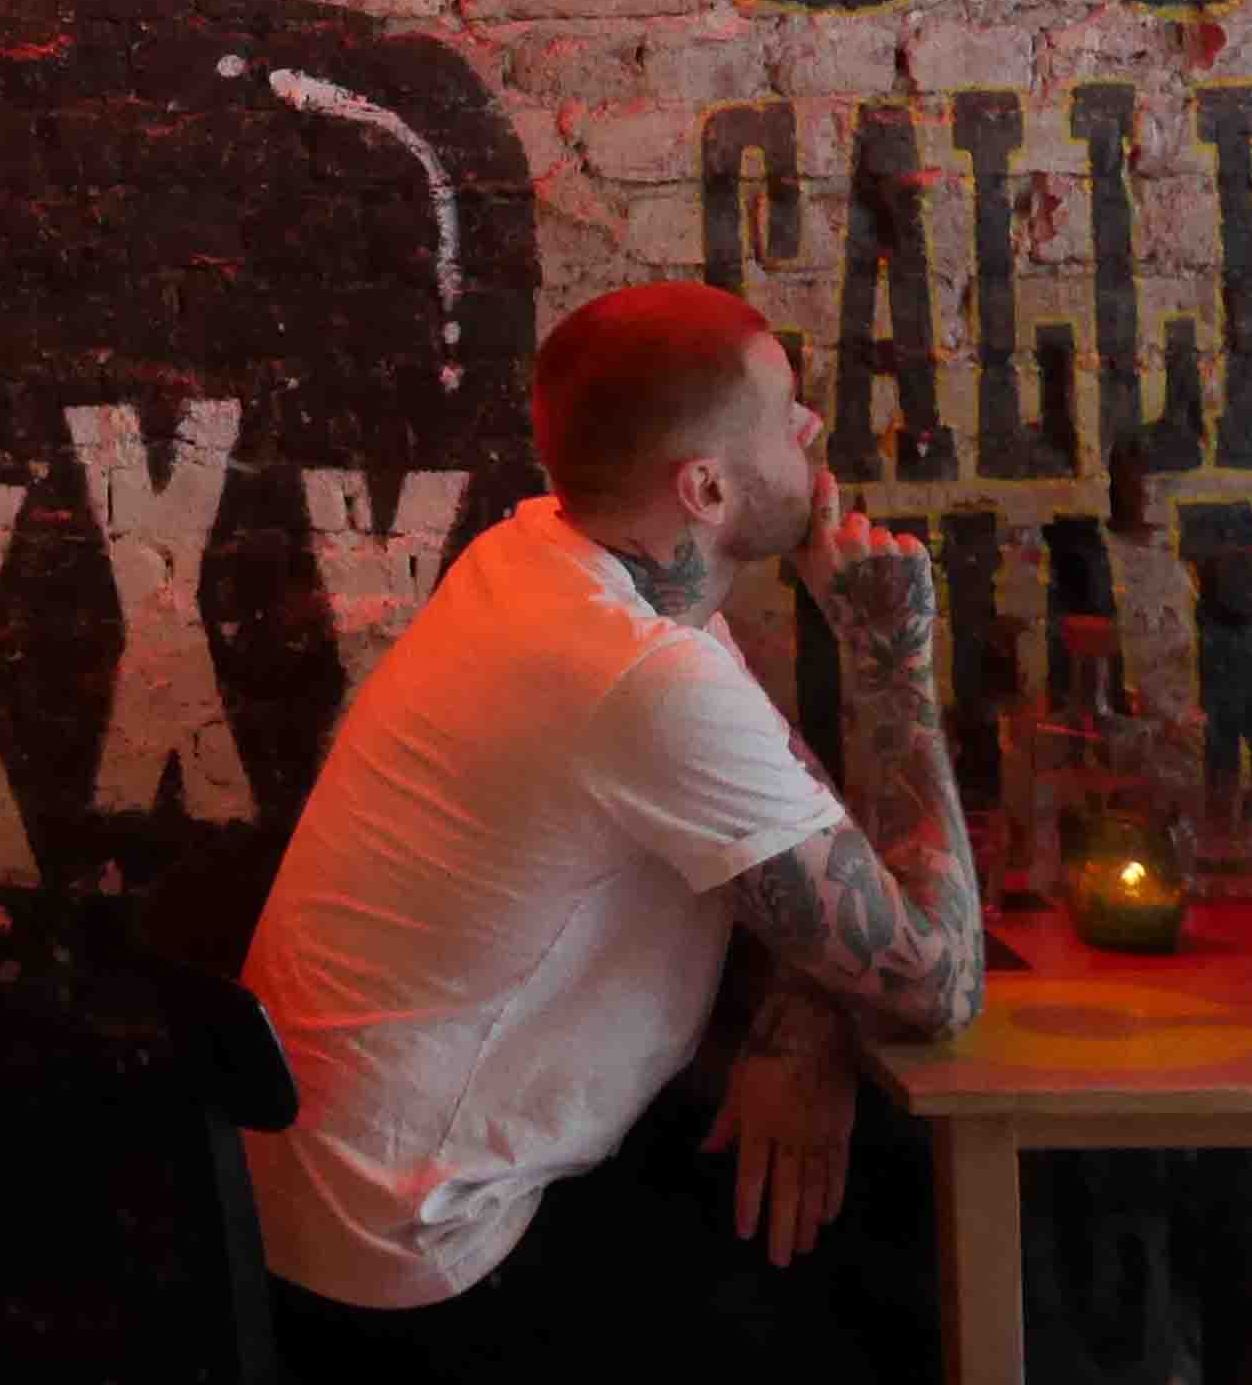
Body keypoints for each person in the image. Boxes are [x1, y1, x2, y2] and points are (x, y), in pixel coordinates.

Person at [241, 279, 985, 1385]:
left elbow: (797, 828)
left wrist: (804, 1024)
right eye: (783, 410)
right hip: (423, 1266)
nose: (809, 428)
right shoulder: (635, 675)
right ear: (705, 487)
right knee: (901, 1270)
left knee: (853, 1208)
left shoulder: (543, 557)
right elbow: (937, 982)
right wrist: (891, 658)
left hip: (331, 1204)